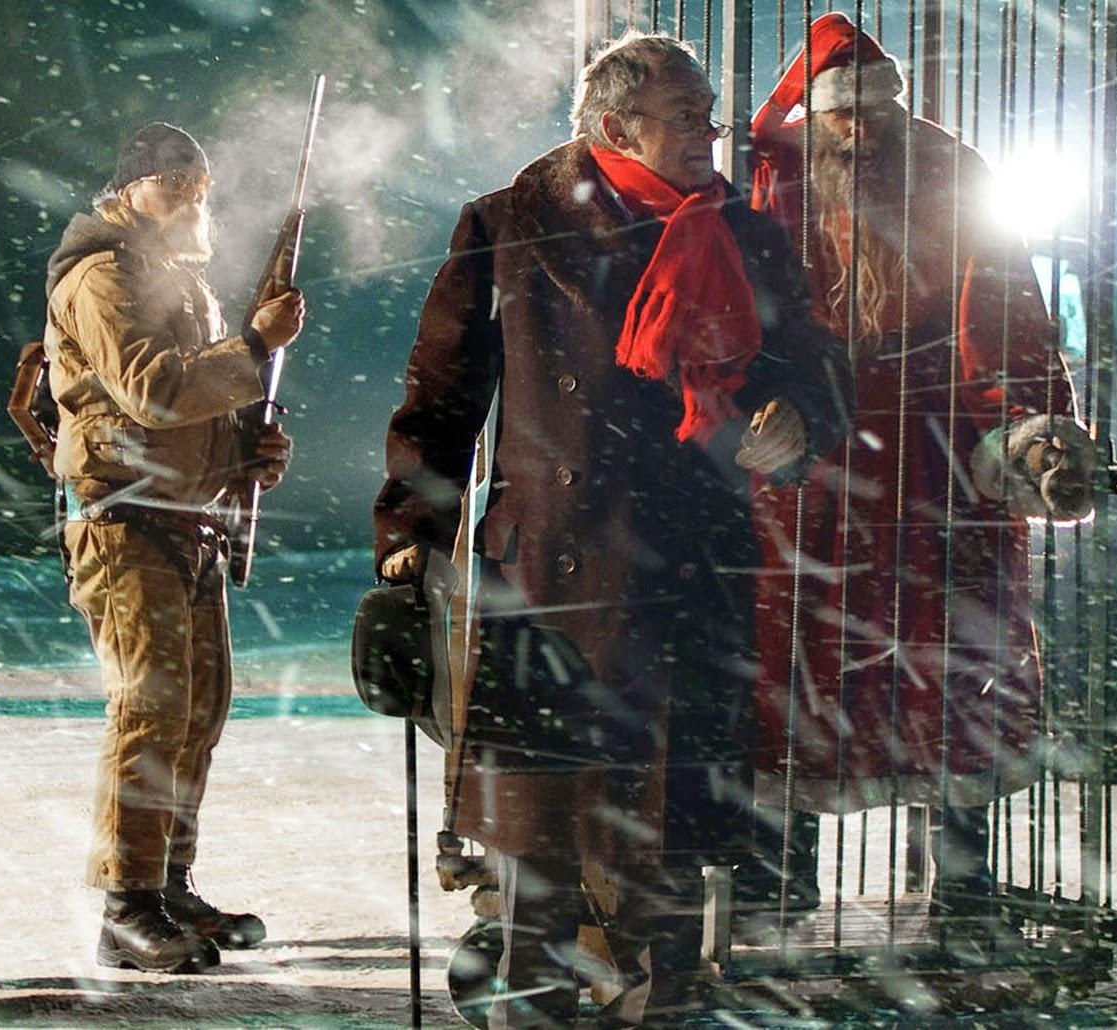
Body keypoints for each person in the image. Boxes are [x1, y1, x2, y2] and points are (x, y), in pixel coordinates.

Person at [374, 33, 851, 1027]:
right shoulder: (512, 227)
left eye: (709, 115)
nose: (709, 136)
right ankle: (537, 1002)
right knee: (541, 840)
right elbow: (441, 398)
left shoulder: (749, 236)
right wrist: (410, 535)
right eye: (687, 117)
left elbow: (814, 368)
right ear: (611, 126)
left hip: (692, 565)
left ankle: (661, 1001)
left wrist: (797, 417)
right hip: (549, 574)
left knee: (670, 840)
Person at [741, 12, 1094, 922]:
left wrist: (1019, 422)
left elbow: (1002, 299)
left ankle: (965, 885)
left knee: (957, 650)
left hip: (939, 433)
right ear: (815, 117)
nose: (862, 130)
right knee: (802, 653)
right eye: (843, 114)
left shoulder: (950, 167)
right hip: (813, 437)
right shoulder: (770, 177)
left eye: (876, 110)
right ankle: (780, 876)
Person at [42, 122, 304, 973]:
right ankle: (128, 904)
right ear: (127, 190)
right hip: (124, 520)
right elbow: (153, 391)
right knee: (150, 711)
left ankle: (171, 883)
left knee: (198, 712)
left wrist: (250, 451)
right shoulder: (102, 275)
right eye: (174, 182)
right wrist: (256, 344)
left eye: (200, 183)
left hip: (188, 521)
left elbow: (200, 412)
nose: (193, 196)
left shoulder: (181, 281)